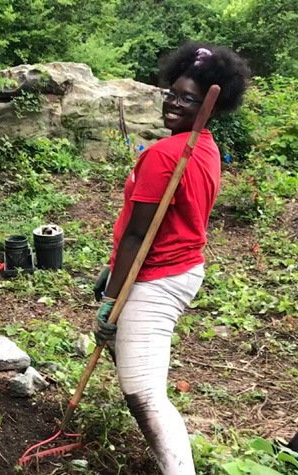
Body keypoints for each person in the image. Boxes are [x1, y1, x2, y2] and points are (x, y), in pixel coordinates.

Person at [93, 42, 250, 475]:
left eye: (189, 99)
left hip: (157, 275)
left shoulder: (166, 156)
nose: (176, 104)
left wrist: (111, 297)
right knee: (134, 371)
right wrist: (113, 272)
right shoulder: (206, 147)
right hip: (180, 267)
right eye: (174, 94)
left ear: (211, 107)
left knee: (144, 393)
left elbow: (140, 234)